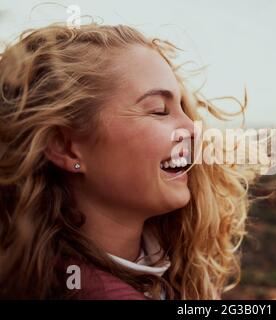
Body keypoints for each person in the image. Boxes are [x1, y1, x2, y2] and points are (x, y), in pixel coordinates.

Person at [0, 23, 258, 299]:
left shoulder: (162, 266)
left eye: (183, 107)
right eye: (159, 111)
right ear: (66, 148)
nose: (194, 128)